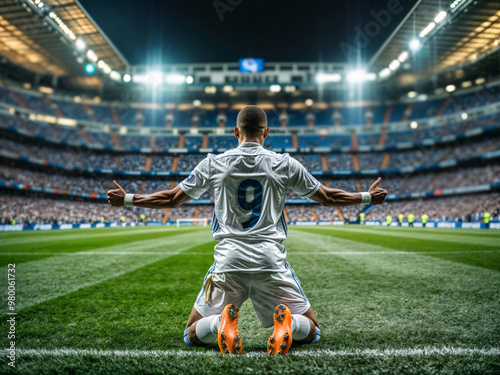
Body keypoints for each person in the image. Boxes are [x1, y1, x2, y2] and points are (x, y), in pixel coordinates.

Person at [107, 105, 387, 355]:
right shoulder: (284, 164)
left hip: (229, 262)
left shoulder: (213, 163)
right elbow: (327, 197)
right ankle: (289, 322)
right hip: (270, 261)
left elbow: (171, 198)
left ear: (235, 131)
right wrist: (366, 197)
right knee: (312, 329)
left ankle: (219, 323)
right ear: (267, 132)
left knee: (192, 332)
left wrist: (128, 199)